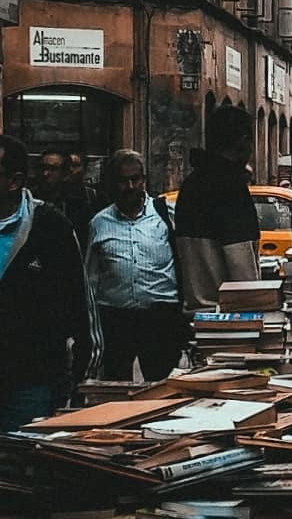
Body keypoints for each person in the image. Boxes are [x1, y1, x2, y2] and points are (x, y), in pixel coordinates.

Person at [0, 135, 103, 431]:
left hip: (30, 383)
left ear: (13, 181)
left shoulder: (50, 228)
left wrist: (81, 382)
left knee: (18, 470)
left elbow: (81, 305)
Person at [84, 150, 184, 382]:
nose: (130, 186)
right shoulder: (99, 223)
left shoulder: (166, 215)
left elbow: (185, 263)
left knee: (162, 388)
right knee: (114, 389)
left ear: (144, 180)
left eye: (135, 179)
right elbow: (90, 278)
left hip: (160, 318)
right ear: (112, 184)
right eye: (122, 180)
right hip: (116, 320)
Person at [174, 103, 259, 313]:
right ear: (244, 141)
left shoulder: (190, 184)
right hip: (228, 319)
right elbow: (242, 271)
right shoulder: (231, 187)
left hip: (195, 315)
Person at [33, 149, 94, 250]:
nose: (45, 174)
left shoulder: (78, 205)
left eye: (53, 169)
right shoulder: (28, 200)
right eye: (42, 168)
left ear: (65, 174)